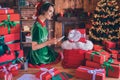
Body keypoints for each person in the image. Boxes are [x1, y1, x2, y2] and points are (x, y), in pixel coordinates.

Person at [27, 1, 61, 66]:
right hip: (38, 56)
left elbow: (42, 40)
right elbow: (34, 47)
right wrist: (49, 42)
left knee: (57, 55)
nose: (52, 14)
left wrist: (51, 41)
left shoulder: (42, 24)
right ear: (43, 11)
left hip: (43, 50)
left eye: (52, 12)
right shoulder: (37, 27)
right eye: (50, 11)